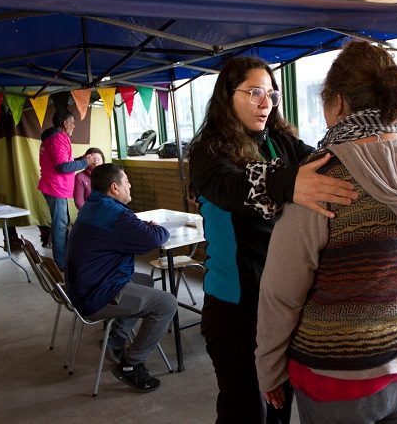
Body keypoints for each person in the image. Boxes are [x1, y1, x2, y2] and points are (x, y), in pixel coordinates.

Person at [254, 41, 397, 424]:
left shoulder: (320, 178)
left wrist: (269, 368)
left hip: (337, 375)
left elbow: (280, 294)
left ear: (337, 103)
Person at [188, 56, 358, 424]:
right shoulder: (207, 152)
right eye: (254, 93)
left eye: (270, 94)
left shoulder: (282, 142)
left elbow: (326, 166)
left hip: (284, 301)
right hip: (236, 305)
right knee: (245, 410)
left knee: (280, 406)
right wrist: (290, 183)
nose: (265, 103)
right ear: (226, 96)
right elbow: (233, 188)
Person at [65, 163, 178, 393]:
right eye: (126, 181)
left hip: (84, 286)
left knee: (145, 281)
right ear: (114, 187)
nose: (130, 185)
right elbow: (154, 240)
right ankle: (131, 365)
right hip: (96, 295)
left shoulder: (94, 205)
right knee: (167, 303)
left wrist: (139, 228)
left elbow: (127, 231)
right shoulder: (115, 215)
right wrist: (158, 228)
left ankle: (116, 337)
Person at [37, 110, 102, 269]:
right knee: (60, 225)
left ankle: (65, 258)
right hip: (55, 187)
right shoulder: (58, 139)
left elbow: (66, 161)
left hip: (55, 187)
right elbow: (63, 167)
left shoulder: (53, 138)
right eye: (72, 122)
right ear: (65, 124)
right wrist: (86, 162)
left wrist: (82, 160)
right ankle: (61, 264)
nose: (74, 126)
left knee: (62, 223)